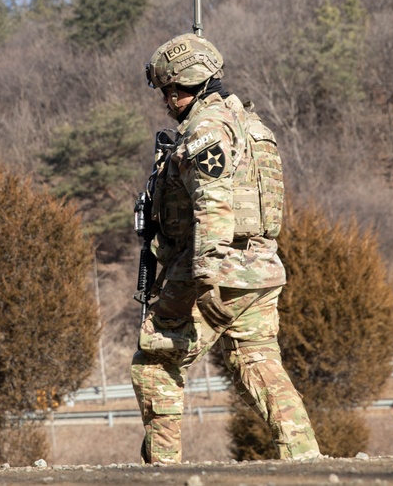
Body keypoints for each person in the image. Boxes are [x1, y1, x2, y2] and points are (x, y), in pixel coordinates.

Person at [130, 32, 321, 464]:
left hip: (219, 267)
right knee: (257, 361)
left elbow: (213, 205)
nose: (165, 99)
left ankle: (163, 469)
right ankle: (305, 459)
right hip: (261, 267)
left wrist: (206, 275)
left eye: (168, 90)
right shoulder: (252, 124)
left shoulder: (206, 128)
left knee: (156, 362)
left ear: (183, 87)